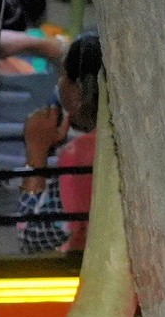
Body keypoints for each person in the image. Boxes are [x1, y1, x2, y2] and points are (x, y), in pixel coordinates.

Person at [20, 32, 106, 255]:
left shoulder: (80, 154)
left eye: (64, 75)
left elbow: (32, 236)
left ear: (78, 91)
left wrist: (36, 151)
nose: (59, 83)